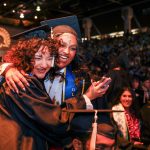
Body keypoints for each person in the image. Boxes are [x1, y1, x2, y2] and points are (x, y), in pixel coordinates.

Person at [0, 36, 104, 150]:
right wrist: (85, 98)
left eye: (50, 58)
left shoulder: (25, 78)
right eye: (38, 57)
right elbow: (57, 122)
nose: (45, 64)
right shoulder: (23, 82)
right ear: (26, 57)